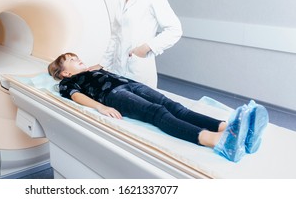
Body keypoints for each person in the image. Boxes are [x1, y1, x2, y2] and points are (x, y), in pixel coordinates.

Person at [48, 52, 269, 162]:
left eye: (77, 57)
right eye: (72, 59)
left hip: (131, 85)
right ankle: (215, 141)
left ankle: (228, 128)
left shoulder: (93, 69)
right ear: (65, 72)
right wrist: (100, 107)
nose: (78, 59)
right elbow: (76, 97)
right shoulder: (68, 83)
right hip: (113, 95)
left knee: (174, 106)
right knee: (157, 113)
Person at [91, 0, 183, 88]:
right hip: (117, 69)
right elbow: (115, 36)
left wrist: (147, 47)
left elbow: (175, 29)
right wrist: (102, 64)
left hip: (139, 71)